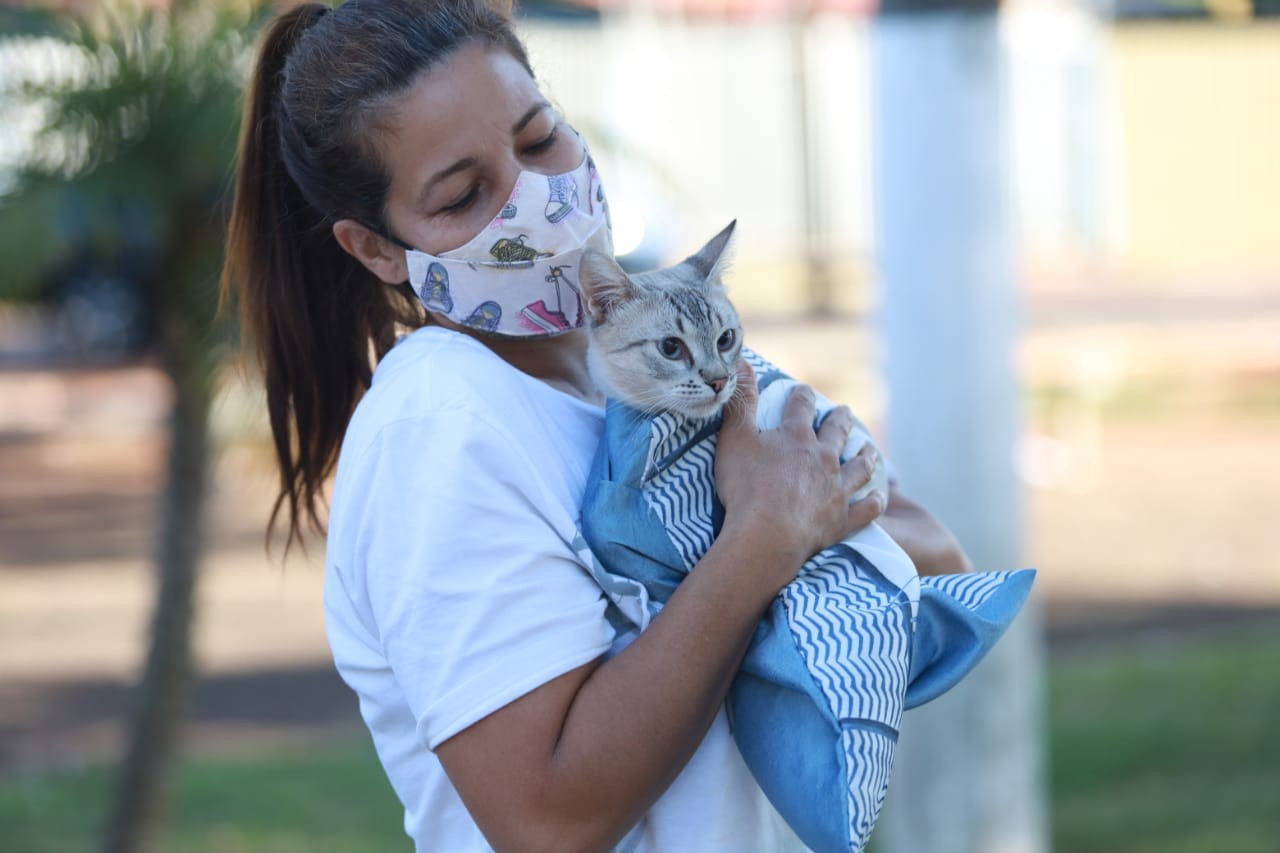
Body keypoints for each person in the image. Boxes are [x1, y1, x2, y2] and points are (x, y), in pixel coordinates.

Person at [220, 1, 972, 850]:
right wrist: (767, 539)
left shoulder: (653, 352)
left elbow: (939, 556)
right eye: (466, 196)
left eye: (540, 139)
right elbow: (548, 820)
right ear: (378, 249)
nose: (536, 201)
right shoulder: (441, 425)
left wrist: (800, 534)